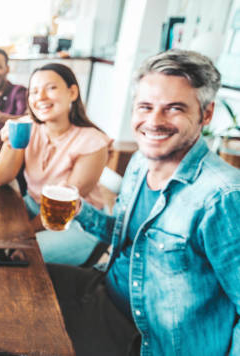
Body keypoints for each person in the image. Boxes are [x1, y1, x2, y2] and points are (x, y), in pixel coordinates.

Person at [46, 49, 240, 355]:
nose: (154, 121)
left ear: (206, 114)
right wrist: (81, 211)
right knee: (14, 281)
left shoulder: (223, 196)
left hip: (150, 341)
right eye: (145, 107)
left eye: (174, 108)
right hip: (106, 294)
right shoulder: (139, 162)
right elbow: (130, 239)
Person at [0, 63, 111, 266]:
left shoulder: (93, 142)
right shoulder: (29, 128)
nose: (40, 97)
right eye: (34, 91)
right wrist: (10, 142)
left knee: (21, 255)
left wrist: (21, 235)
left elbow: (60, 208)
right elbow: (1, 178)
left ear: (72, 92)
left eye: (51, 88)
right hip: (33, 206)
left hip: (75, 223)